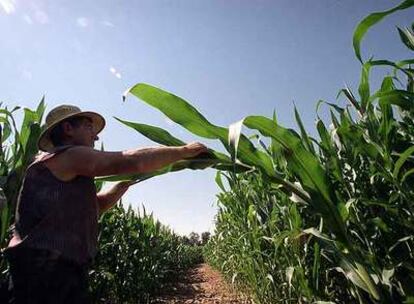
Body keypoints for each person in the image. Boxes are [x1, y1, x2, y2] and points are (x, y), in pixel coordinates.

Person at [3, 104, 208, 304]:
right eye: (89, 127)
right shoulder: (68, 156)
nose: (96, 135)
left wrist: (119, 188)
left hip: (60, 268)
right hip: (44, 271)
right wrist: (183, 151)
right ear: (68, 129)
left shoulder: (68, 167)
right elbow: (126, 160)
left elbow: (94, 208)